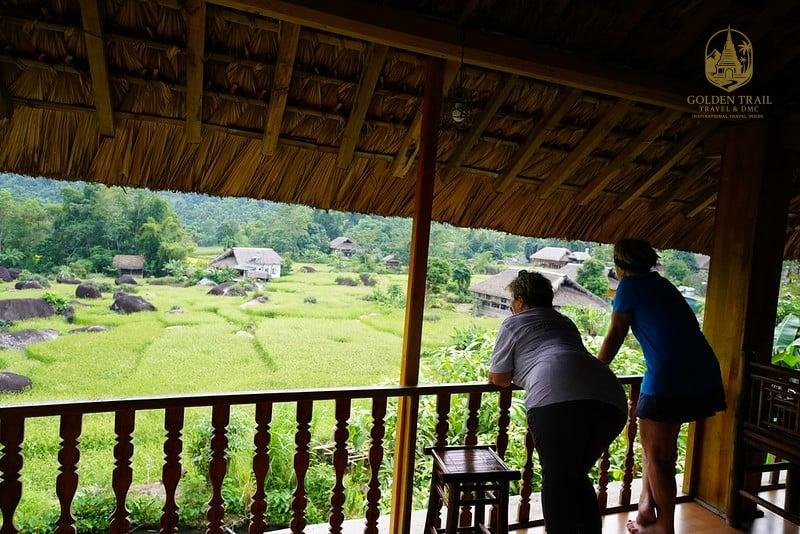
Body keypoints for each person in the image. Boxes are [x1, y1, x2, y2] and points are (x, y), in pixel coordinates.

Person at [597, 239, 726, 534]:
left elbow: (616, 333)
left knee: (658, 456)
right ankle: (645, 511)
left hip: (669, 377)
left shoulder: (629, 287)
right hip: (702, 372)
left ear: (619, 264)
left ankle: (664, 528)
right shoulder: (662, 284)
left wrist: (593, 368)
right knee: (656, 448)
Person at [488, 270, 628, 534]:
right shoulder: (564, 321)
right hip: (611, 399)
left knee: (556, 479)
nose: (510, 305)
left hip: (556, 400)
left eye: (511, 300)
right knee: (573, 476)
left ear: (519, 301)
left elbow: (499, 377)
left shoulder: (513, 323)